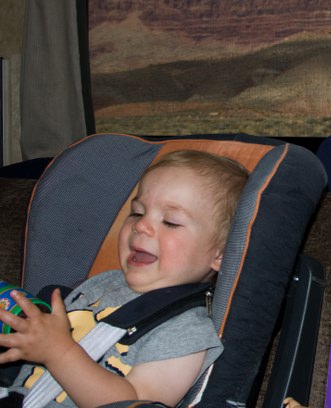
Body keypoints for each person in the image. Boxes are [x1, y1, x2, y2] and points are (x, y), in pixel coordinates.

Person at [0, 149, 249, 408]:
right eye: (137, 213)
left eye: (170, 221)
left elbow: (136, 403)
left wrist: (58, 352)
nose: (140, 226)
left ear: (220, 254)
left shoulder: (187, 331)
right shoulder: (103, 284)